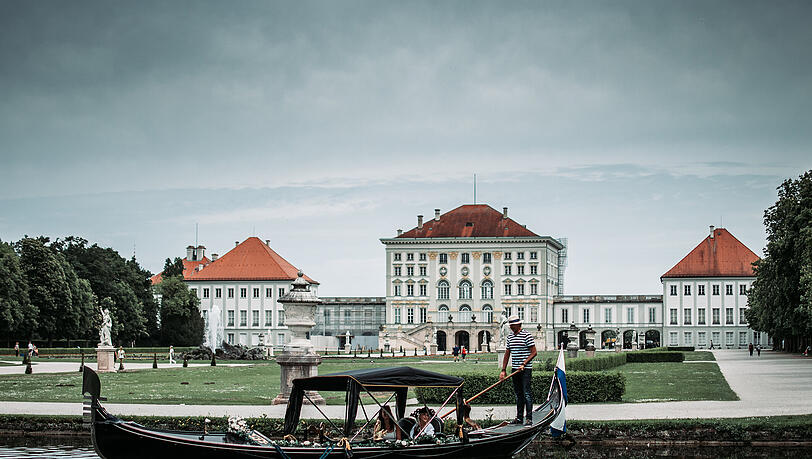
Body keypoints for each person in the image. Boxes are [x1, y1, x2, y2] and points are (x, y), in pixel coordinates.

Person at [500, 314, 537, 426]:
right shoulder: (510, 337)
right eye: (510, 325)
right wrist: (503, 370)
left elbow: (534, 352)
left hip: (525, 369)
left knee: (526, 393)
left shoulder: (527, 335)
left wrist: (524, 363)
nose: (511, 327)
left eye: (513, 325)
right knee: (518, 394)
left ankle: (529, 418)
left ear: (518, 324)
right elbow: (507, 354)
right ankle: (519, 418)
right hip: (515, 369)